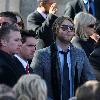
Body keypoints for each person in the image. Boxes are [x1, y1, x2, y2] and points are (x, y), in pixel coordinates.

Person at [30, 16, 95, 100]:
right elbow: (34, 84)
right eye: (64, 27)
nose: (68, 30)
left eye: (71, 28)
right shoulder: (41, 55)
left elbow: (90, 80)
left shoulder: (80, 54)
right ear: (55, 30)